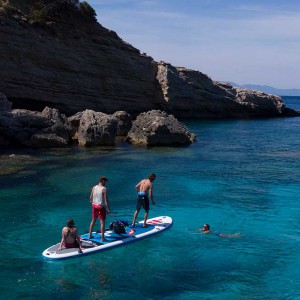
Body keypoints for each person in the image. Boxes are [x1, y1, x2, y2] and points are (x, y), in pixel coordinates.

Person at [89, 176, 111, 242]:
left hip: (94, 206)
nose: (105, 183)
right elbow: (106, 200)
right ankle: (102, 238)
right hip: (100, 207)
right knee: (102, 222)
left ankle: (90, 235)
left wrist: (93, 202)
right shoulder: (104, 189)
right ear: (103, 181)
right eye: (105, 182)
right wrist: (108, 209)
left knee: (93, 220)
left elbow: (90, 198)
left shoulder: (94, 187)